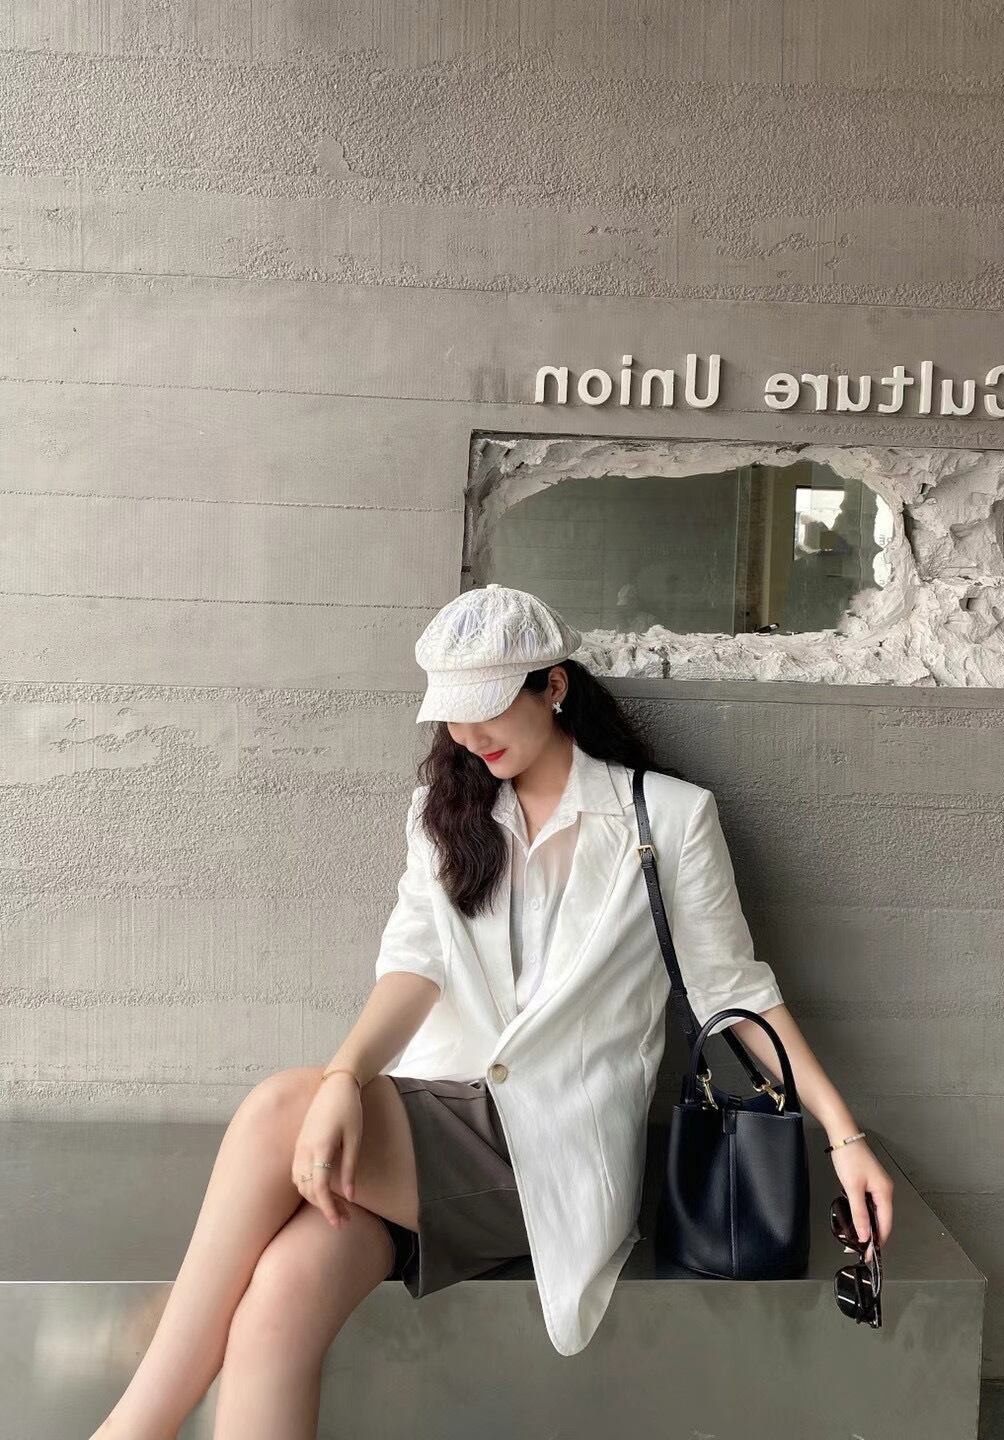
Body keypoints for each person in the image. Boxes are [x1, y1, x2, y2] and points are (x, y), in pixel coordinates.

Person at [91, 582, 894, 1439]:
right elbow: (414, 968)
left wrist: (844, 1137)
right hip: (428, 1132)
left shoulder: (668, 816)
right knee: (279, 1301)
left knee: (277, 1108)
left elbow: (733, 993)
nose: (470, 737)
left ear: (554, 686)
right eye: (454, 716)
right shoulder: (443, 814)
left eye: (489, 708)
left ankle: (134, 1428)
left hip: (550, 1151)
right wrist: (347, 1078)